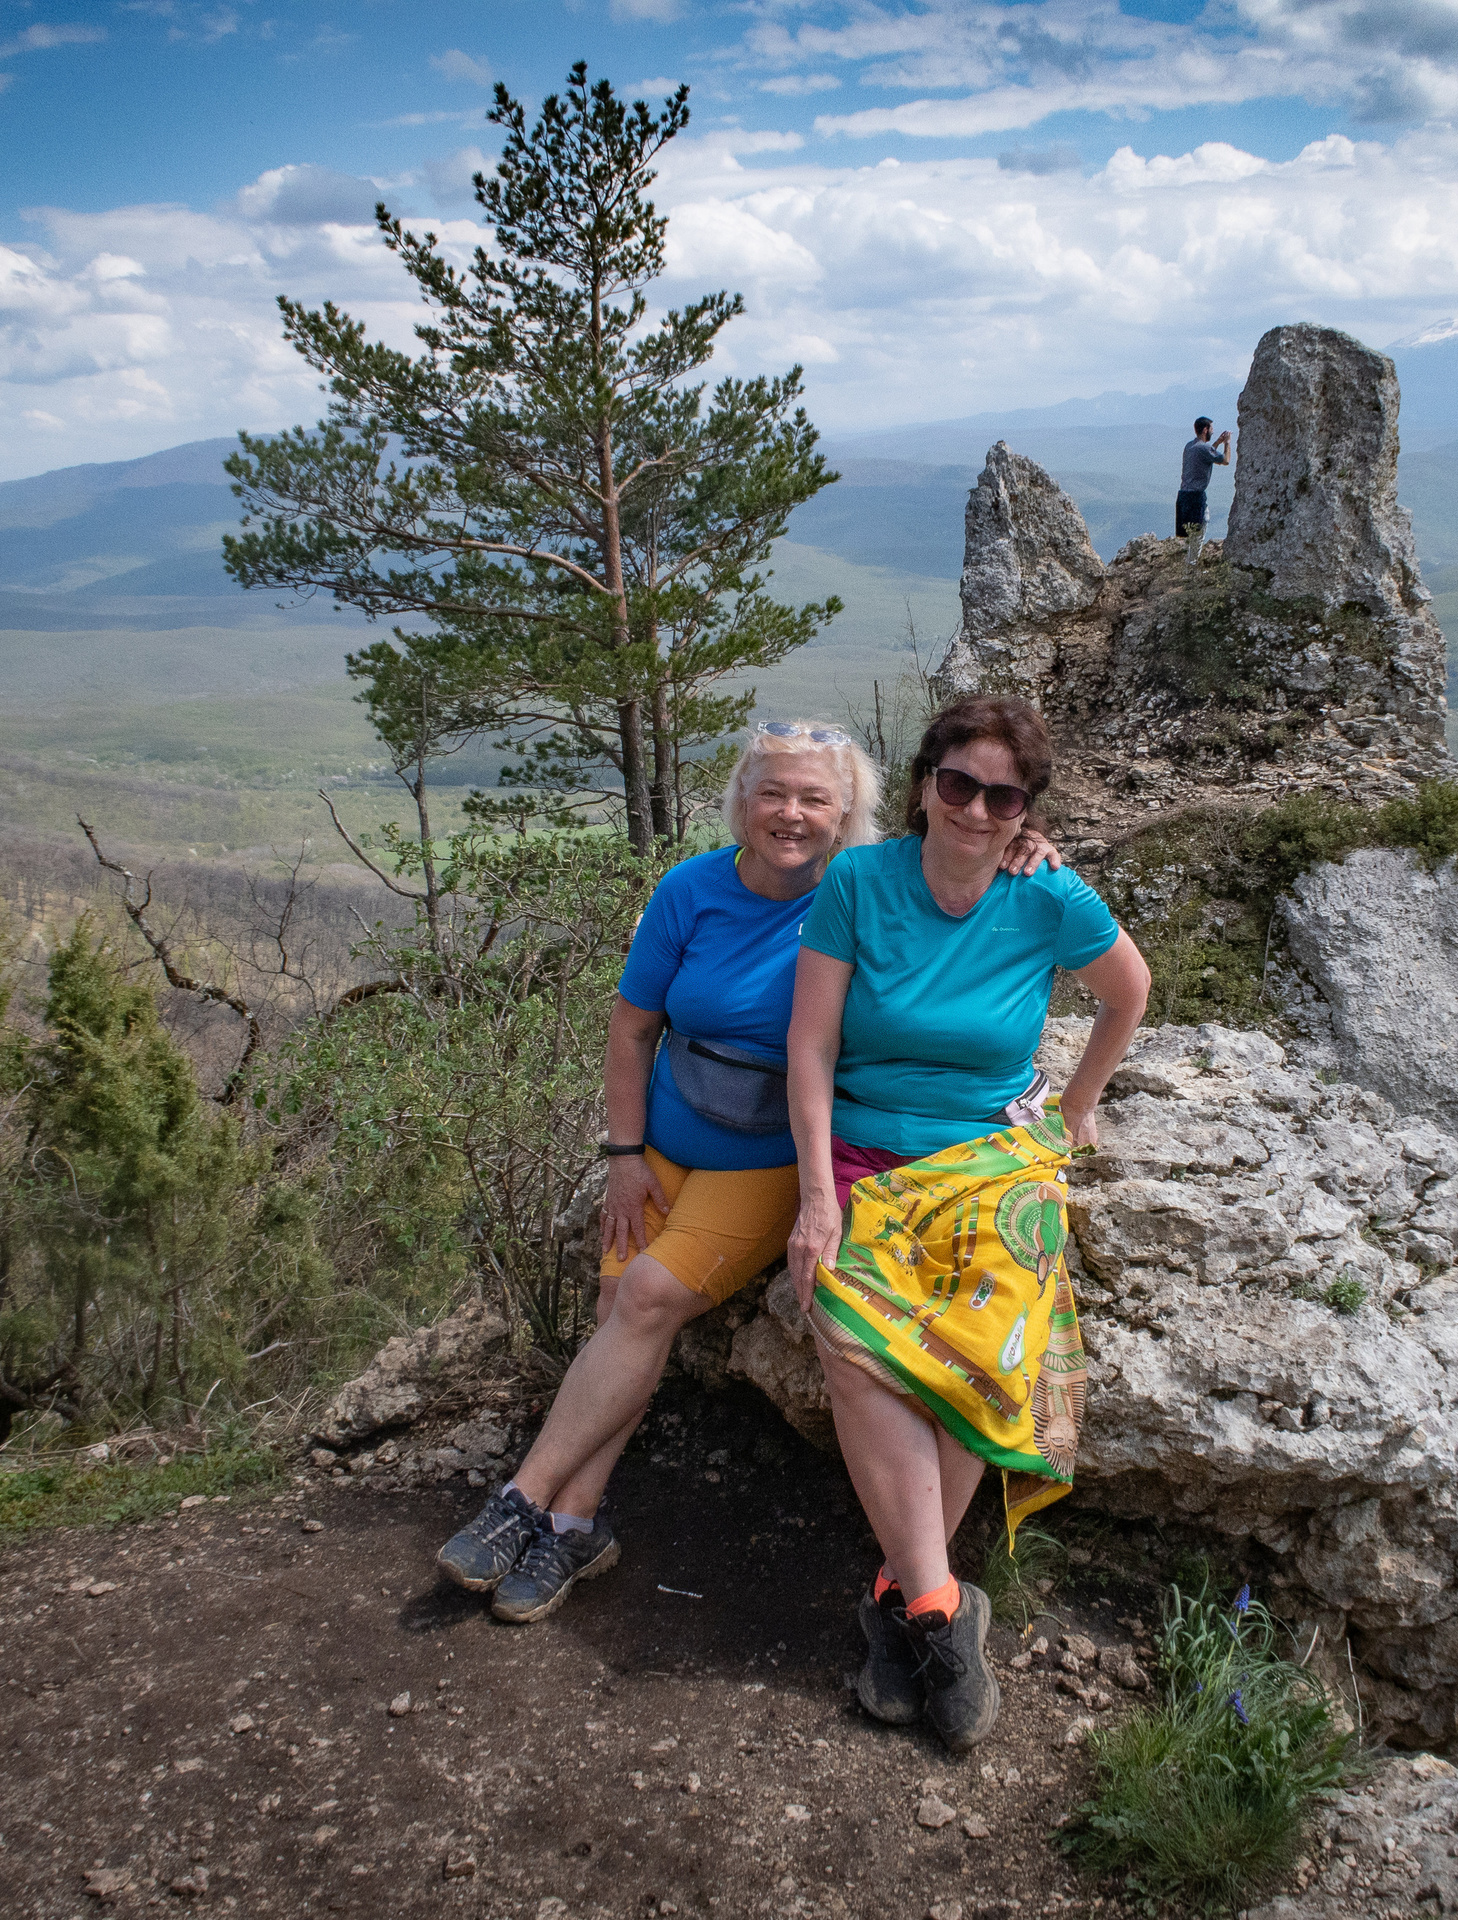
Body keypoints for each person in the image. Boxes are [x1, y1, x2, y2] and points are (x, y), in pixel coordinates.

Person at [436, 720, 1060, 1624]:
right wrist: (620, 1156)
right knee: (618, 1305)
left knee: (645, 1294)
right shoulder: (691, 889)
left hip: (774, 1157)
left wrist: (1024, 836)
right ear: (742, 800)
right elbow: (633, 1028)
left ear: (849, 812)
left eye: (815, 797)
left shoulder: (870, 887)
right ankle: (575, 1523)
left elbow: (967, 852)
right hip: (666, 1136)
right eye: (773, 793)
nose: (791, 814)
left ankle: (522, 1498)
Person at [784, 694, 1151, 1752]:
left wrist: (1077, 1106)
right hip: (864, 1150)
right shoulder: (859, 881)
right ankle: (943, 1609)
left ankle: (906, 1604)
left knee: (980, 1344)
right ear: (922, 784)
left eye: (1003, 795)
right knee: (850, 1326)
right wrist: (816, 1198)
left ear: (1024, 809)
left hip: (990, 1153)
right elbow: (810, 1047)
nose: (977, 809)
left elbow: (1127, 993)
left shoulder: (1047, 893)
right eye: (958, 784)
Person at [1176, 414, 1232, 558]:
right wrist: (1227, 443)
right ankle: (1192, 567)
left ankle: (1189, 564)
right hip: (1196, 497)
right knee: (1199, 532)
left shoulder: (1190, 446)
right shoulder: (1203, 448)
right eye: (1212, 429)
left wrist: (1217, 442)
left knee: (1190, 534)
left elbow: (1206, 454)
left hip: (1183, 496)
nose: (1213, 432)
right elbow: (1225, 460)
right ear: (1206, 430)